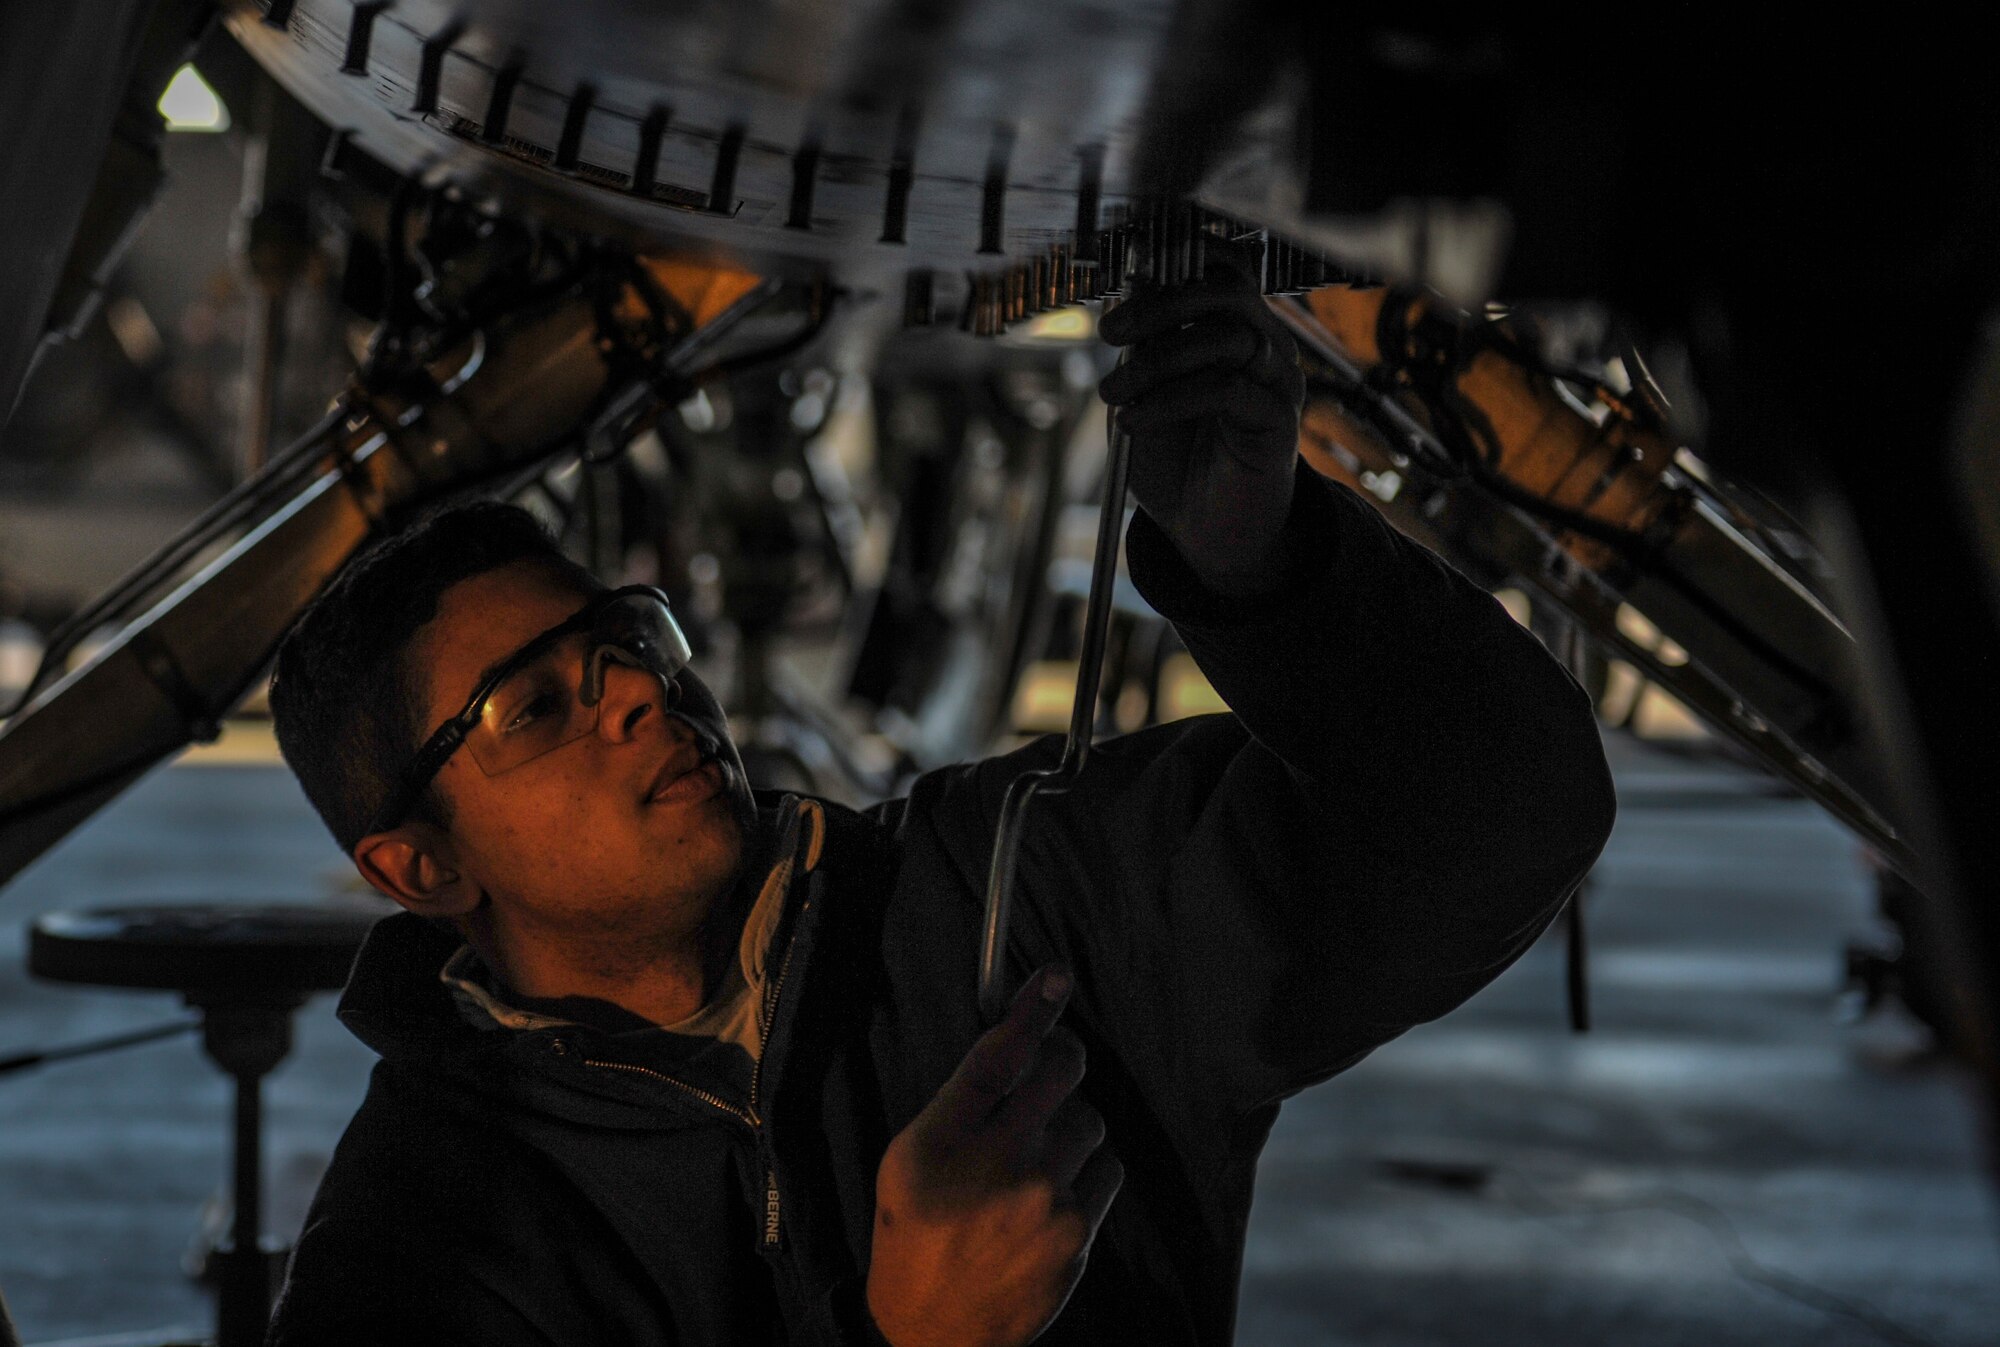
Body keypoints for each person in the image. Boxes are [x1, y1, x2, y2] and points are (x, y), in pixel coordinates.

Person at [264, 262, 1615, 1346]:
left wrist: (1266, 568)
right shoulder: (427, 1242)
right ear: (419, 868)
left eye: (625, 639)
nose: (635, 695)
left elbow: (1511, 815)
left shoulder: (1022, 897)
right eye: (535, 707)